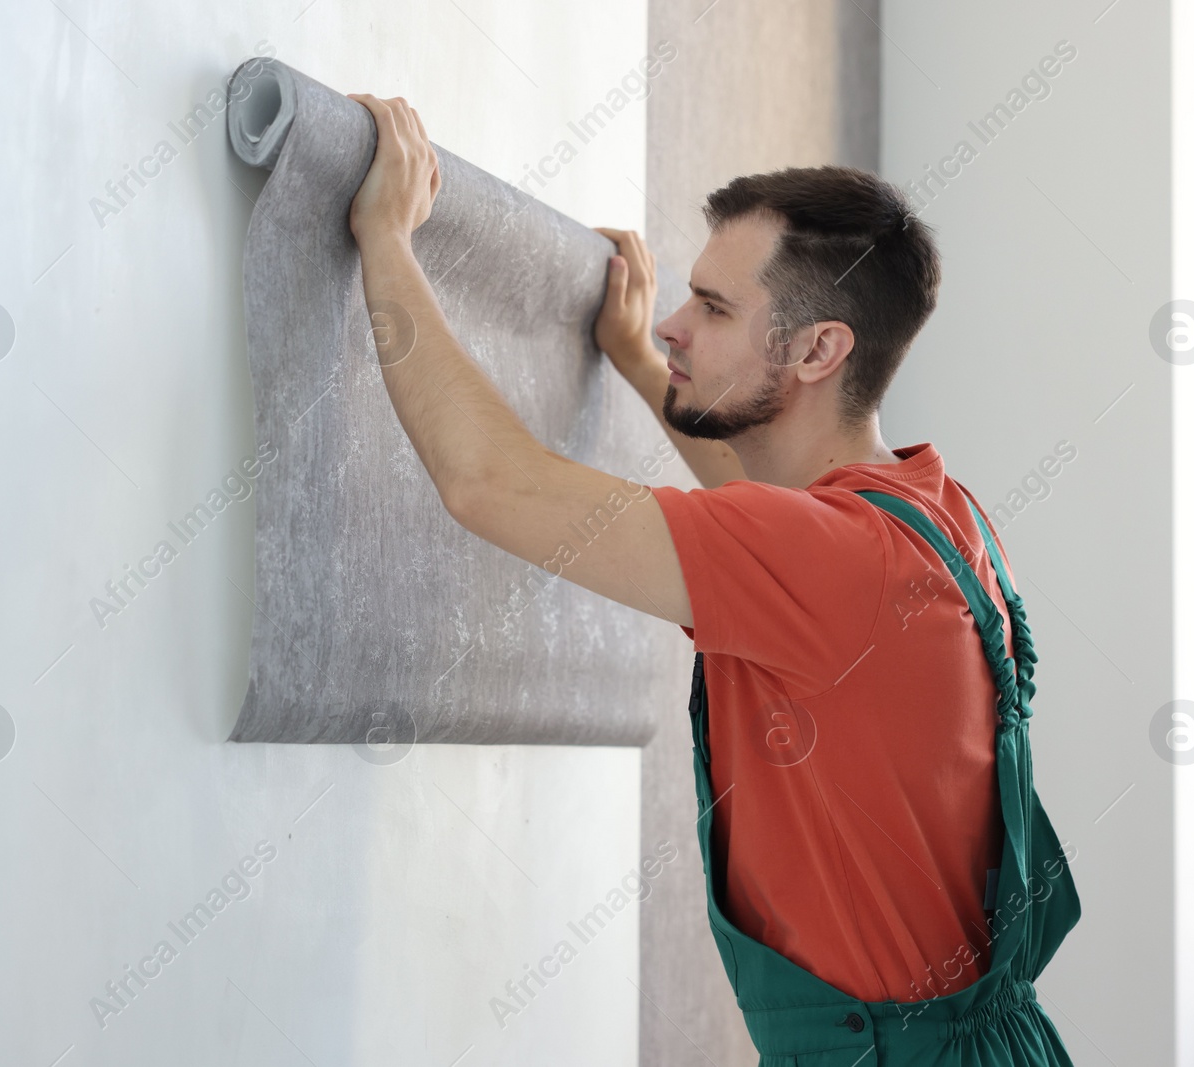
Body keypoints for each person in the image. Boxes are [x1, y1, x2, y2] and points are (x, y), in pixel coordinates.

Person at [344, 91, 1080, 1065]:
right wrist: (639, 355)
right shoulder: (932, 513)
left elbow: (490, 485)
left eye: (717, 308)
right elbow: (757, 507)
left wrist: (386, 237)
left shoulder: (828, 560)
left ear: (821, 348)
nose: (681, 324)